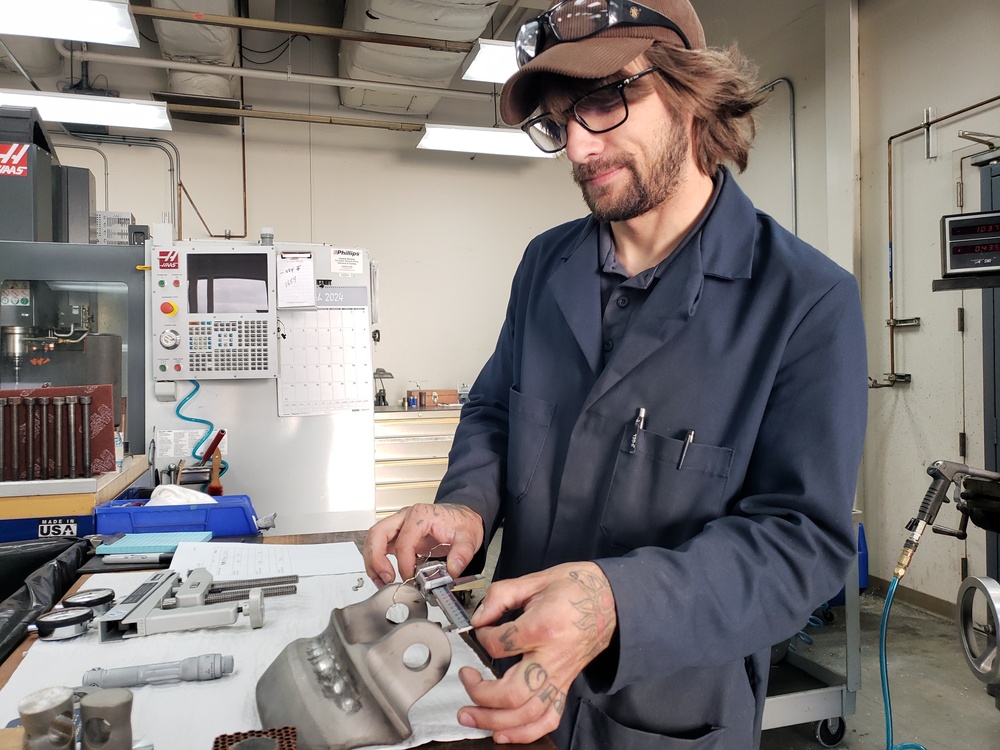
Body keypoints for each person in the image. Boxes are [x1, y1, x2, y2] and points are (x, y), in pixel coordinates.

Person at [364, 0, 868, 747]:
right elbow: (497, 414)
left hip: (667, 713)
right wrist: (466, 507)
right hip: (519, 696)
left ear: (691, 91)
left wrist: (619, 601)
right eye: (560, 119)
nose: (576, 147)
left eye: (602, 102)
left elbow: (801, 542)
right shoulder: (546, 263)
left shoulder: (805, 300)